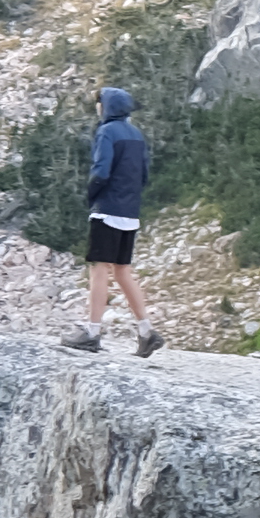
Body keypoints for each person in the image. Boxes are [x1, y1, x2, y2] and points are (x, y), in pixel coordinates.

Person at [73, 86, 161, 353]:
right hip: (129, 213)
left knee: (99, 269)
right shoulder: (136, 135)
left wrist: (91, 195)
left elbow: (101, 170)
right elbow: (144, 174)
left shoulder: (106, 132)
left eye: (99, 103)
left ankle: (92, 332)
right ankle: (146, 331)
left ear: (106, 107)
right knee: (122, 270)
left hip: (107, 209)